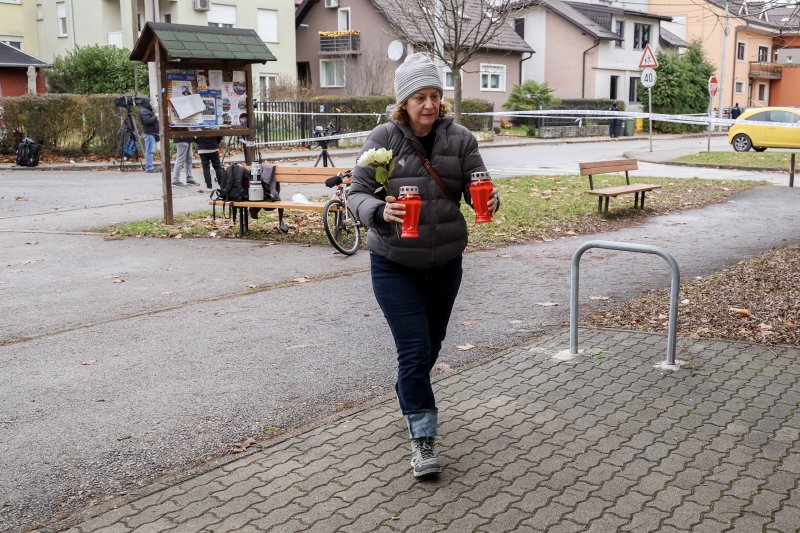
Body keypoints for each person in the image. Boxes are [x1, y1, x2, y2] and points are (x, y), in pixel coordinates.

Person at [348, 53, 499, 479]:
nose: (429, 105)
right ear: (404, 102)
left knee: (428, 350)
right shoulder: (383, 138)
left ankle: (408, 395)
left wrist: (488, 199)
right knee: (413, 351)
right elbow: (356, 193)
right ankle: (423, 439)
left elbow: (477, 187)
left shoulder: (461, 139)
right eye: (420, 97)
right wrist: (379, 210)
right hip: (394, 261)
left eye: (435, 95)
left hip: (446, 261)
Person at [138, 98, 160, 173]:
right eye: (149, 102)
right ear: (146, 103)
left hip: (151, 133)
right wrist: (155, 116)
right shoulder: (144, 111)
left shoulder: (146, 110)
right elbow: (147, 121)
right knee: (150, 151)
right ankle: (149, 168)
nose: (151, 103)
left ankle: (150, 167)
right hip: (149, 133)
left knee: (150, 151)